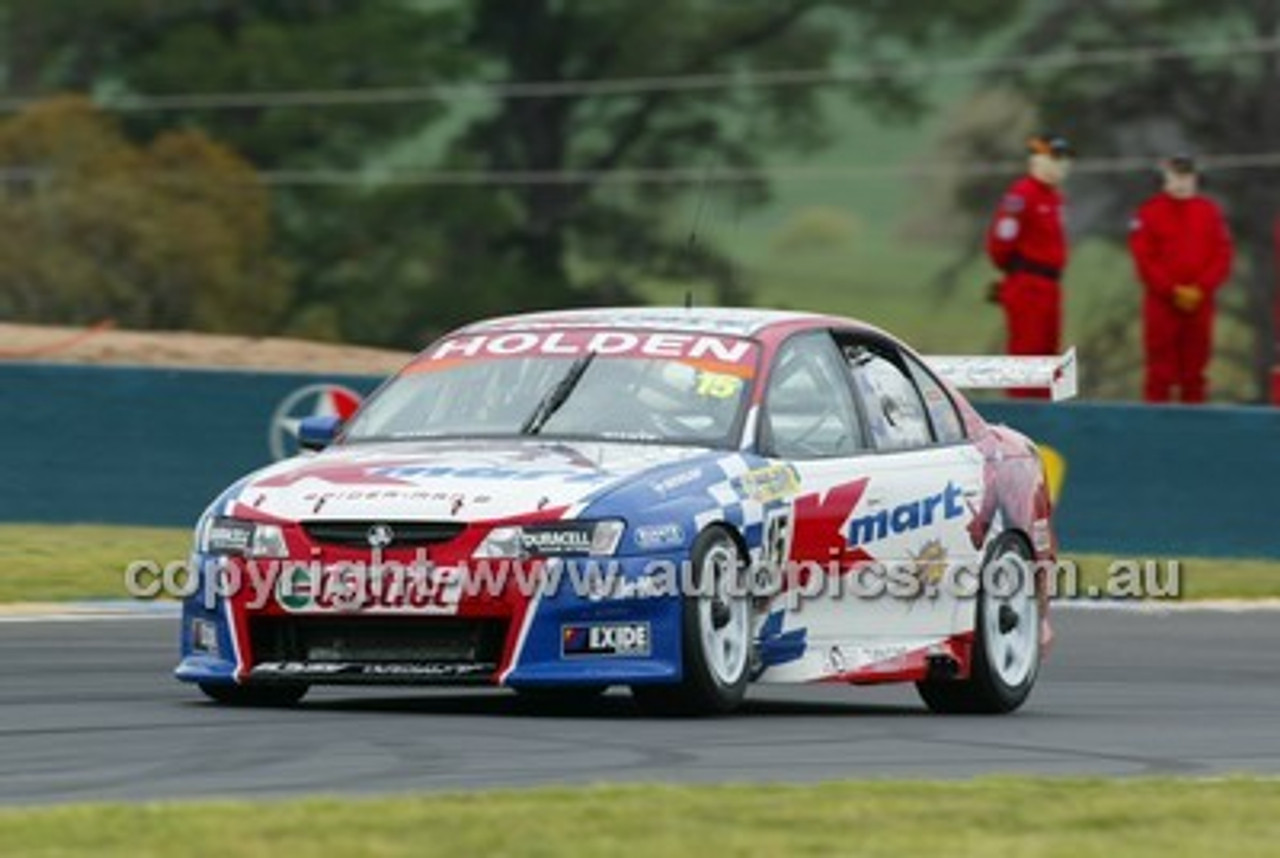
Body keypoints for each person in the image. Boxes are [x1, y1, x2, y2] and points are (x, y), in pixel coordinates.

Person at [1128, 155, 1233, 404]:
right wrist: (1172, 290)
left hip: (1200, 301)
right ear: (1165, 177)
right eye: (1175, 176)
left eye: (1186, 176)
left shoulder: (1209, 212)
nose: (1181, 182)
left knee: (1195, 370)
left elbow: (1223, 254)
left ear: (1195, 178)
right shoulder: (1149, 212)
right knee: (1160, 369)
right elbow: (1144, 259)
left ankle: (1196, 428)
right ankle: (1154, 425)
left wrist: (1201, 288)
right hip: (1162, 302)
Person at [986, 134, 1074, 399]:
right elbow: (1001, 242)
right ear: (1039, 159)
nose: (1061, 165)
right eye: (1055, 158)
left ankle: (1044, 424)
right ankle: (1022, 421)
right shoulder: (1022, 195)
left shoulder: (1055, 198)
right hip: (1028, 284)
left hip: (1049, 286)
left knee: (1049, 362)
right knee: (1027, 358)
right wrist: (1016, 272)